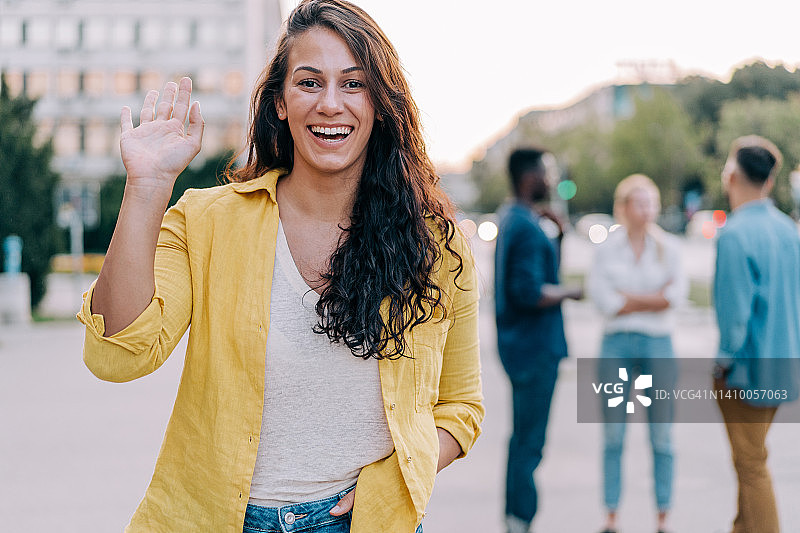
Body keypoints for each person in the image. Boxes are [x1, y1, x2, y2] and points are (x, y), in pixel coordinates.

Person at [76, 1, 484, 532]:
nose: (331, 104)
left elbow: (461, 407)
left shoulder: (435, 244)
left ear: (381, 104)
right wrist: (148, 188)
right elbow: (117, 356)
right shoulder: (207, 221)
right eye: (309, 83)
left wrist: (403, 470)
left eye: (354, 84)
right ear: (280, 104)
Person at [587, 174, 687, 533]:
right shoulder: (605, 250)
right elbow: (603, 299)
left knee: (661, 435)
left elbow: (674, 297)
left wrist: (630, 298)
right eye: (639, 202)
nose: (646, 210)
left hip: (658, 346)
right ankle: (611, 516)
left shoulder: (671, 248)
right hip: (615, 347)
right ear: (624, 207)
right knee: (614, 435)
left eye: (651, 202)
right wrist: (651, 299)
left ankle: (663, 517)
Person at [713, 135, 800, 533]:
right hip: (784, 363)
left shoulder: (734, 234)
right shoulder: (788, 230)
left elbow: (734, 318)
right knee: (750, 460)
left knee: (751, 467)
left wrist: (722, 364)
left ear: (731, 174)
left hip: (746, 371)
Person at [494, 148, 582, 533]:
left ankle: (516, 517)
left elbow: (538, 275)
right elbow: (529, 292)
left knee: (522, 440)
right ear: (530, 177)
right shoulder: (526, 227)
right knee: (530, 444)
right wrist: (572, 293)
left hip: (520, 347)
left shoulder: (514, 218)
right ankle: (520, 520)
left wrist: (559, 236)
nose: (550, 178)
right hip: (535, 351)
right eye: (546, 171)